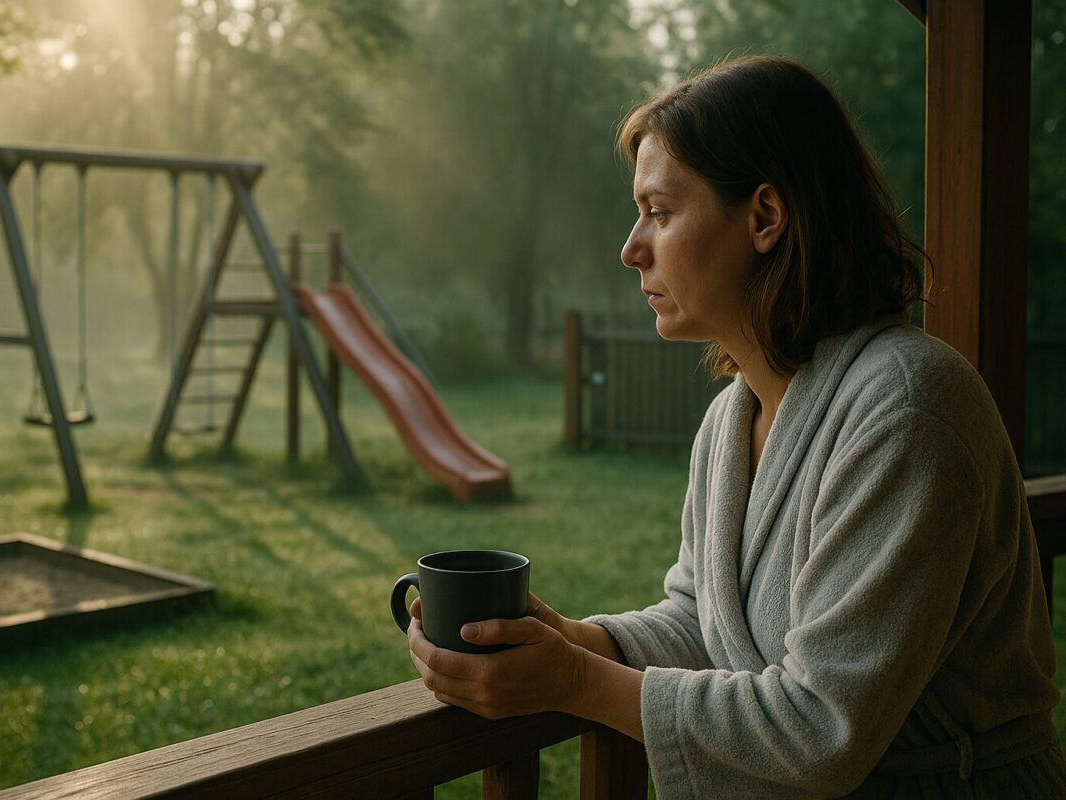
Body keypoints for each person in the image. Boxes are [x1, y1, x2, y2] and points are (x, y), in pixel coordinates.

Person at [406, 54, 1066, 798]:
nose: (631, 248)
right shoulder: (732, 416)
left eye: (659, 212)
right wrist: (573, 640)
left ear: (764, 218)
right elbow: (705, 624)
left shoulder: (908, 408)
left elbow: (821, 725)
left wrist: (577, 682)